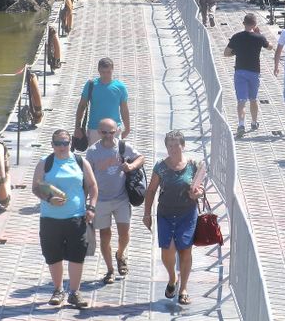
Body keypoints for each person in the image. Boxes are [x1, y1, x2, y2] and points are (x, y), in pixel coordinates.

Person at [32, 129, 98, 308]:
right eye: (58, 143)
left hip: (76, 217)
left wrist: (91, 207)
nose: (62, 147)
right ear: (52, 145)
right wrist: (48, 199)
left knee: (77, 256)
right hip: (50, 218)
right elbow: (36, 188)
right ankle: (58, 290)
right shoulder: (45, 163)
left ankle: (74, 292)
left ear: (71, 144)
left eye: (65, 143)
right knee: (53, 256)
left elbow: (92, 186)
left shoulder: (80, 161)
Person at [143, 130, 204, 305]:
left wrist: (197, 194)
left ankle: (183, 288)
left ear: (183, 146)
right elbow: (152, 190)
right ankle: (172, 279)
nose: (172, 149)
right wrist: (147, 213)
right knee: (167, 251)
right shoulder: (160, 167)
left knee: (185, 250)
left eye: (176, 145)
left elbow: (200, 189)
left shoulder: (193, 165)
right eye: (169, 146)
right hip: (165, 215)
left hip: (187, 214)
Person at [86, 118, 145, 284]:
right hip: (101, 200)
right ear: (98, 132)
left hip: (121, 198)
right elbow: (87, 179)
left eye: (111, 132)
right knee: (105, 236)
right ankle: (110, 270)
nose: (107, 136)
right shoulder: (92, 152)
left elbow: (141, 157)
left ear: (116, 131)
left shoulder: (123, 146)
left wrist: (131, 166)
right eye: (104, 132)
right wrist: (87, 204)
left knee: (124, 234)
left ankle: (120, 254)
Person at [224, 13, 271, 137]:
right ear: (255, 24)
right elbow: (270, 47)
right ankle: (254, 122)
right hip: (254, 72)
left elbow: (226, 53)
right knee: (253, 99)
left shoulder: (236, 37)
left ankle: (241, 124)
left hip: (240, 71)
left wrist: (237, 52)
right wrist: (260, 34)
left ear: (244, 23)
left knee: (241, 100)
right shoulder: (259, 38)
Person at [74, 57, 130, 146]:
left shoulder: (120, 87)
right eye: (103, 72)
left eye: (108, 72)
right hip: (95, 129)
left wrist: (127, 128)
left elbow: (124, 109)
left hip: (114, 129)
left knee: (115, 157)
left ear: (112, 70)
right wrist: (77, 127)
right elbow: (81, 106)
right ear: (98, 70)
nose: (106, 75)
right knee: (95, 157)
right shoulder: (91, 85)